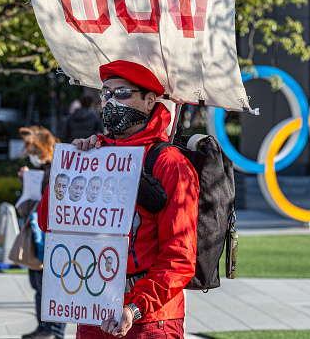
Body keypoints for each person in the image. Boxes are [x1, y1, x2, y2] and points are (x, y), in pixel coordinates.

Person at [37, 60, 199, 339]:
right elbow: (47, 222)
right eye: (106, 93)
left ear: (150, 101)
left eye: (122, 92)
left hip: (148, 320)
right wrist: (72, 169)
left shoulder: (169, 163)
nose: (111, 101)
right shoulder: (93, 155)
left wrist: (134, 308)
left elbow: (179, 257)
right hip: (90, 309)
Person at [17, 126, 66, 339]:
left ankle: (53, 331)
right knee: (39, 284)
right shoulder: (44, 171)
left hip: (50, 235)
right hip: (40, 234)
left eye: (35, 152)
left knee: (50, 285)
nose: (33, 158)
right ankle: (44, 328)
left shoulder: (57, 170)